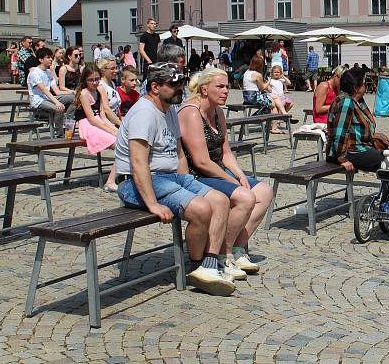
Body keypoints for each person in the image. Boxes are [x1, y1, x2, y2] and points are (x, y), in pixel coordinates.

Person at [115, 62, 236, 296]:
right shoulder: (143, 113)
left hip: (170, 177)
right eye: (173, 84)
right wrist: (152, 204)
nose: (180, 87)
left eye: (181, 82)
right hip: (138, 182)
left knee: (220, 201)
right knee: (201, 209)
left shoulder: (169, 108)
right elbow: (138, 163)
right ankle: (197, 263)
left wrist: (186, 182)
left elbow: (178, 151)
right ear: (154, 87)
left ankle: (209, 265)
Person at [178, 68, 273, 278]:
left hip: (217, 171)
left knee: (264, 191)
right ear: (204, 89)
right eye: (220, 86)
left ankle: (237, 247)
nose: (225, 91)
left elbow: (226, 153)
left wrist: (239, 174)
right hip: (197, 176)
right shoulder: (191, 112)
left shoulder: (217, 111)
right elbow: (201, 161)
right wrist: (232, 181)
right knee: (245, 197)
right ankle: (223, 253)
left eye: (227, 86)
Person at [326, 68, 385, 172]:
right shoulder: (346, 101)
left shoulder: (358, 101)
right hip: (348, 152)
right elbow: (340, 132)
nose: (365, 86)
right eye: (363, 84)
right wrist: (342, 159)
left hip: (359, 148)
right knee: (388, 163)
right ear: (355, 87)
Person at [74, 65, 119, 191]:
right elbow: (92, 119)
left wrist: (116, 129)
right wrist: (110, 130)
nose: (94, 82)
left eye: (97, 79)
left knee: (124, 139)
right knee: (120, 145)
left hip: (98, 121)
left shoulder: (99, 90)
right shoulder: (84, 93)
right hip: (88, 124)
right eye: (91, 80)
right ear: (85, 80)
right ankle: (110, 181)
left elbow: (103, 115)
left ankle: (120, 176)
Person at [27, 47, 68, 135]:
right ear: (41, 60)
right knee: (59, 108)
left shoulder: (48, 72)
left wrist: (72, 92)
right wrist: (57, 102)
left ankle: (68, 124)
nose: (50, 59)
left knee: (73, 98)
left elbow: (57, 91)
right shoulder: (34, 72)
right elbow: (44, 89)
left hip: (48, 98)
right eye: (48, 57)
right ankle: (59, 133)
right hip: (38, 101)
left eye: (51, 57)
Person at [242, 55, 288, 131]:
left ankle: (283, 113)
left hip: (247, 97)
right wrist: (269, 81)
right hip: (254, 97)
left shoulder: (247, 72)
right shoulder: (257, 74)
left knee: (274, 97)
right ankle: (275, 126)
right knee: (273, 104)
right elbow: (263, 88)